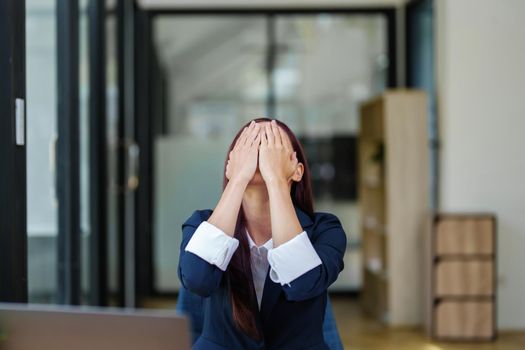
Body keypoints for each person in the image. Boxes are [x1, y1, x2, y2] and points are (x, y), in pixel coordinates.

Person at [178, 118, 347, 349]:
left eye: (272, 145)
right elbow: (197, 279)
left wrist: (276, 180)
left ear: (297, 171)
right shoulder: (201, 225)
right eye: (249, 145)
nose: (260, 152)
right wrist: (237, 179)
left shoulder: (325, 229)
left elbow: (302, 283)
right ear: (230, 165)